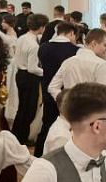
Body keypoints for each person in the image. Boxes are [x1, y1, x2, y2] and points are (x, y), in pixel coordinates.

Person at [34, 20, 80, 152]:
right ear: (72, 34)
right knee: (66, 128)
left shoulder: (43, 47)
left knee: (47, 125)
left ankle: (39, 154)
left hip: (47, 91)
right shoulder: (76, 50)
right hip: (66, 94)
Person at [11, 13, 46, 144]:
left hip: (20, 74)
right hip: (30, 77)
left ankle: (16, 135)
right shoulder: (34, 45)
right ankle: (22, 139)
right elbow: (33, 68)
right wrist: (47, 72)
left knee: (22, 108)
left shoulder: (22, 38)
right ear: (41, 27)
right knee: (29, 110)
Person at [48, 28, 106, 96]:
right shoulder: (101, 64)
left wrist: (65, 99)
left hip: (70, 102)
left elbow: (52, 87)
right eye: (105, 45)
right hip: (92, 103)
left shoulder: (67, 62)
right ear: (94, 44)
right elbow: (105, 95)